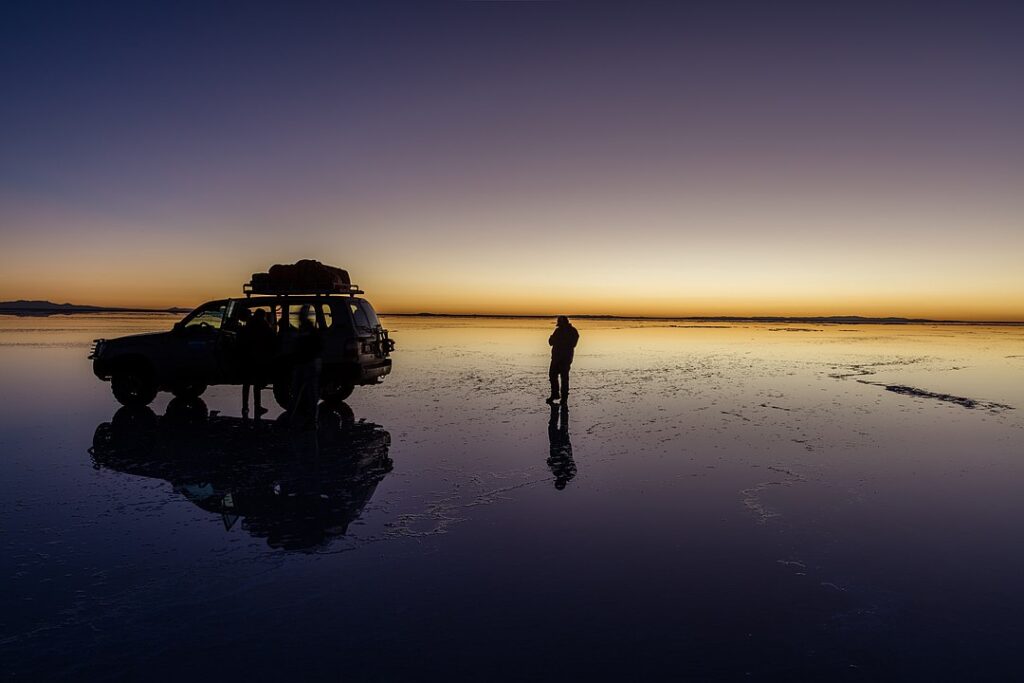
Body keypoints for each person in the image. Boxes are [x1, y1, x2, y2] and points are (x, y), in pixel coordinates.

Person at [289, 304, 323, 429]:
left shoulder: (308, 329)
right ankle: (305, 419)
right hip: (306, 364)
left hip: (308, 364)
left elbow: (317, 345)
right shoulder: (305, 329)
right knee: (304, 393)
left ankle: (310, 421)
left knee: (306, 393)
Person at [238, 308, 275, 418]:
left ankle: (245, 406)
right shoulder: (264, 325)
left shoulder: (249, 325)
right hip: (259, 357)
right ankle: (257, 406)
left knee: (246, 383)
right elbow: (271, 338)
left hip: (247, 357)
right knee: (257, 384)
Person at [547, 315, 579, 404]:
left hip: (564, 358)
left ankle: (563, 398)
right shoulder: (559, 331)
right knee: (553, 376)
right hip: (557, 358)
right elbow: (550, 342)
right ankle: (555, 395)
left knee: (564, 378)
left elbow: (573, 344)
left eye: (560, 322)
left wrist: (560, 340)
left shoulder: (571, 331)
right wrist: (553, 338)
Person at [547, 402, 576, 490]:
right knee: (563, 424)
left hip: (554, 445)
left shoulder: (556, 472)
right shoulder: (571, 474)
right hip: (564, 445)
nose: (557, 480)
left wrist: (550, 462)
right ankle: (564, 407)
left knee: (552, 426)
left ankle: (555, 408)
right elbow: (569, 460)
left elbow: (551, 461)